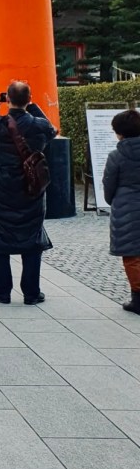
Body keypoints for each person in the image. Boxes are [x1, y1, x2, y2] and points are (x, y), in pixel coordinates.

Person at [0, 81, 57, 305]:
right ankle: (31, 291)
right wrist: (33, 107)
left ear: (6, 99)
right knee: (31, 234)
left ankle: (2, 290)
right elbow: (51, 130)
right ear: (29, 99)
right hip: (30, 187)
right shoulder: (37, 125)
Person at [102, 108, 140, 315]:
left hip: (127, 209)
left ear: (119, 133)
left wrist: (114, 201)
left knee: (132, 256)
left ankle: (138, 298)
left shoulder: (116, 156)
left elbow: (109, 186)